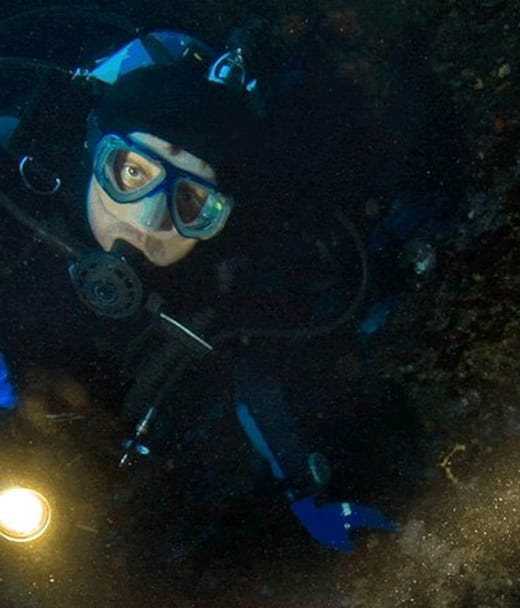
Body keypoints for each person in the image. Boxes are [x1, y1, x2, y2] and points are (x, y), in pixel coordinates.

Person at [0, 25, 396, 591]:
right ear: (94, 150)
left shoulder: (213, 298)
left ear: (218, 222)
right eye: (132, 173)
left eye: (192, 203)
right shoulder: (12, 197)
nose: (149, 220)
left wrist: (314, 495)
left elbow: (256, 383)